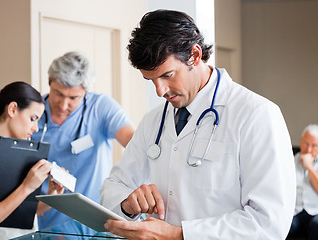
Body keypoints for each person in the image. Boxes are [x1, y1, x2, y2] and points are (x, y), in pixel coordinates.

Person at [99, 9, 296, 240]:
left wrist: (179, 235)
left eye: (168, 75)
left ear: (194, 55)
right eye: (151, 80)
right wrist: (127, 203)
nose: (160, 91)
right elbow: (112, 187)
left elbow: (270, 224)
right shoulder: (154, 121)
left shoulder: (256, 114)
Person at [32, 51, 134, 229]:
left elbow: (136, 146)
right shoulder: (33, 113)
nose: (63, 105)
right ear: (49, 84)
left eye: (73, 98)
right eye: (58, 93)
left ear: (85, 92)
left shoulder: (100, 108)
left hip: (91, 224)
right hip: (44, 223)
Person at [0, 82, 63, 240]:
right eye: (33, 119)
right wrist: (27, 187)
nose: (36, 128)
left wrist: (52, 196)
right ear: (12, 109)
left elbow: (21, 215)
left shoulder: (24, 156)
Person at [287, 124, 318, 240]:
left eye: (314, 146)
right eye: (306, 143)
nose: (309, 149)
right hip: (294, 211)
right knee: (280, 226)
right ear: (300, 142)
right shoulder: (290, 160)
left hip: (315, 211)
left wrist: (309, 167)